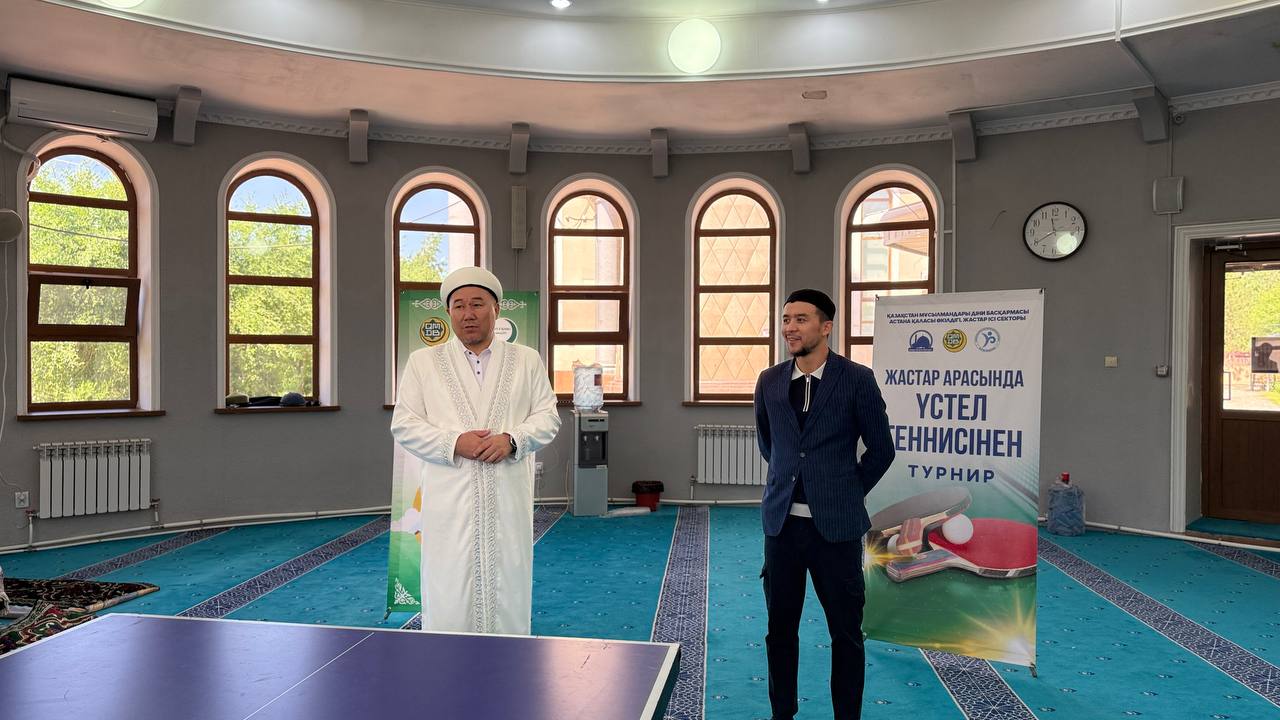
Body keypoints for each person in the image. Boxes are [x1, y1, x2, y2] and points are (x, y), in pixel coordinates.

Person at [391, 267, 561, 634]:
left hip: (508, 499)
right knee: (449, 588)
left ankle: (509, 659)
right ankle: (447, 661)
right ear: (449, 312)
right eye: (459, 306)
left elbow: (548, 417)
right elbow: (403, 424)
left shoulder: (527, 360)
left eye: (477, 304)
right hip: (448, 502)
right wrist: (455, 443)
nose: (468, 314)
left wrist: (512, 440)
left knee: (509, 584)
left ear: (496, 310)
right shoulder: (423, 363)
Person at [753, 288, 896, 720]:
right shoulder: (769, 381)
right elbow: (771, 445)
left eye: (800, 319)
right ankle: (782, 714)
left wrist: (845, 492)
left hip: (836, 531)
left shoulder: (856, 379)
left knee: (846, 634)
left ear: (826, 326)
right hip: (782, 528)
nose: (790, 328)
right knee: (779, 632)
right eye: (786, 319)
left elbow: (881, 450)